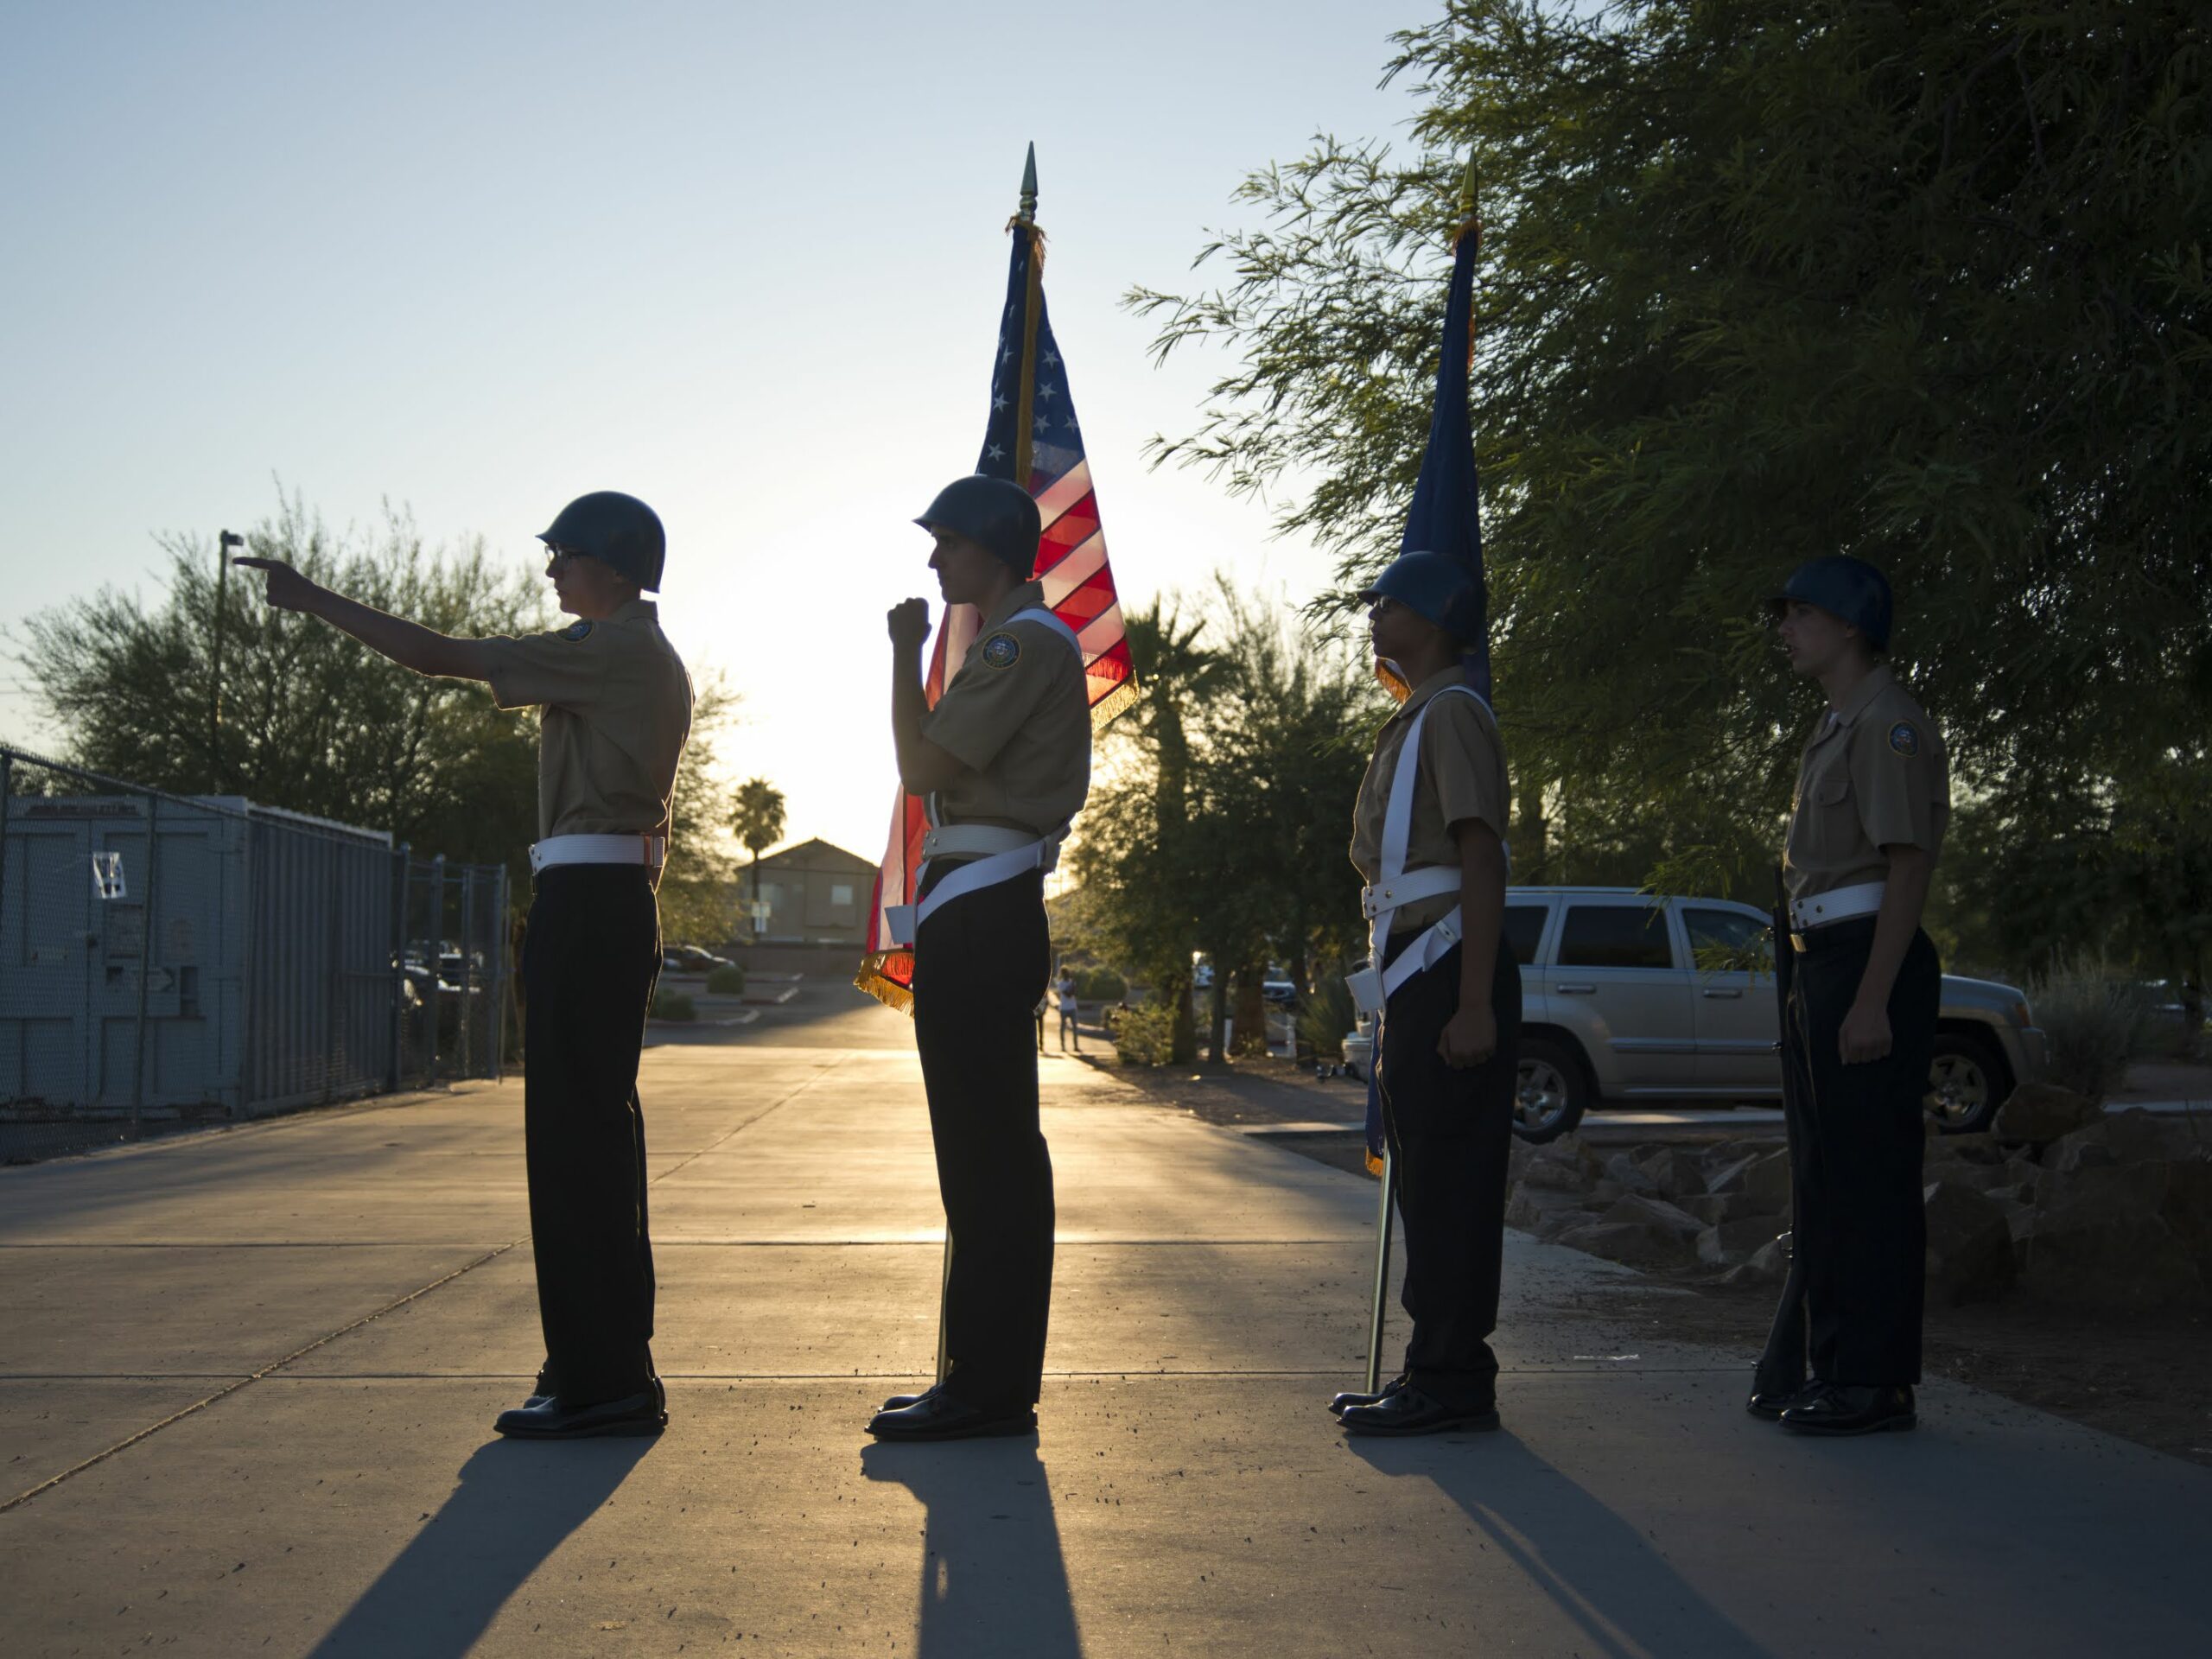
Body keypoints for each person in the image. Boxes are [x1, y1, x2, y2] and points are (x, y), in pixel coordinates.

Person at [237, 490, 691, 1440]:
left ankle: (601, 1378)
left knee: (576, 1148)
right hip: (600, 900)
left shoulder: (610, 652)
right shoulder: (621, 654)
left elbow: (441, 657)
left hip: (593, 904)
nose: (550, 569)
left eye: (563, 554)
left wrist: (312, 597)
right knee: (589, 1145)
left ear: (611, 564)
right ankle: (599, 1366)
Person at [868, 474, 1091, 1442]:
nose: (933, 560)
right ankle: (979, 1375)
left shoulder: (1018, 642)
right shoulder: (1019, 643)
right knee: (979, 1152)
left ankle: (989, 1385)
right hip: (976, 903)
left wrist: (905, 653)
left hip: (985, 905)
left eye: (949, 543)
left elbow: (922, 771)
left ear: (995, 552)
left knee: (988, 1154)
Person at [1755, 555, 1948, 1436]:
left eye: (1800, 615)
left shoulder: (1888, 724)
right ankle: (1829, 1367)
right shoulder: (1835, 725)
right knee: (1826, 1177)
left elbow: (1907, 864)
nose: (1785, 630)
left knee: (1869, 1179)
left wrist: (1871, 998)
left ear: (1848, 627)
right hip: (1820, 959)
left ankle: (1875, 1383)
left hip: (1867, 960)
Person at [1329, 551, 1520, 1436]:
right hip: (1416, 965)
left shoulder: (1450, 713)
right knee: (1426, 1179)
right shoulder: (1415, 715)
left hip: (1448, 969)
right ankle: (1428, 1366)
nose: (1373, 612)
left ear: (1436, 618)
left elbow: (1479, 856)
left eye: (1389, 601)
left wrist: (1472, 1002)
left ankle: (1451, 1379)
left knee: (1450, 1181)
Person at [1055, 970, 1082, 1052]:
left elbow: (1075, 993)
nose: (1067, 975)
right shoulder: (1061, 984)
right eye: (1065, 974)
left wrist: (1073, 985)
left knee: (1075, 1027)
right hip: (1064, 1008)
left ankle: (1076, 1046)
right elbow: (1068, 995)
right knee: (1063, 1027)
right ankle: (1063, 1046)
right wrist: (1072, 986)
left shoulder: (1072, 982)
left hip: (1072, 1007)